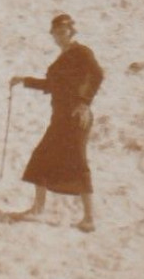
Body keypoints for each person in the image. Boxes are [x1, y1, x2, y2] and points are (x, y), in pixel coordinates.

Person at [9, 13, 103, 232]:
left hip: (76, 117)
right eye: (56, 33)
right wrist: (24, 81)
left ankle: (89, 217)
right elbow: (53, 86)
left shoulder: (81, 52)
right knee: (42, 156)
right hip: (61, 117)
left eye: (64, 32)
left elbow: (97, 75)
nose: (60, 36)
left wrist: (84, 103)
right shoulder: (63, 57)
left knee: (78, 161)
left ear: (71, 32)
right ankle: (37, 208)